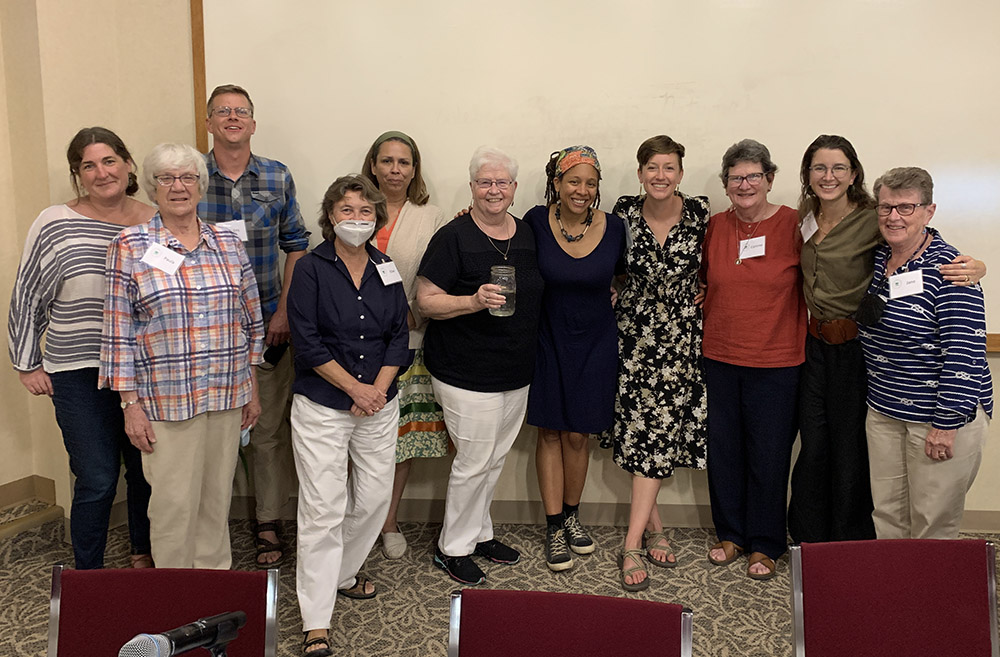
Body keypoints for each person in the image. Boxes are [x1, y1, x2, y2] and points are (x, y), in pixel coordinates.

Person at [788, 135, 987, 544]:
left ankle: (867, 558)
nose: (894, 216)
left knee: (912, 501)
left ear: (853, 173)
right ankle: (833, 554)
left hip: (873, 367)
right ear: (807, 175)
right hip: (848, 371)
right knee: (876, 497)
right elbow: (904, 242)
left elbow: (963, 349)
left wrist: (976, 265)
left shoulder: (888, 231)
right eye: (819, 167)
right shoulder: (810, 221)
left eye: (838, 167)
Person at [100, 143, 263, 569]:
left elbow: (249, 320)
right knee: (172, 506)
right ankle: (174, 598)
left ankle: (211, 592)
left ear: (200, 185)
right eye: (166, 178)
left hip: (226, 395)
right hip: (166, 402)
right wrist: (129, 405)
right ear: (152, 188)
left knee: (215, 501)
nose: (178, 187)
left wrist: (253, 390)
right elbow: (118, 331)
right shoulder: (130, 245)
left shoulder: (226, 244)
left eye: (187, 177)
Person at [8, 127, 154, 570]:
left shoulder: (155, 219)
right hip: (77, 369)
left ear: (128, 164)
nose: (101, 172)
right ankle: (87, 574)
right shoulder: (55, 221)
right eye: (88, 166)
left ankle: (143, 553)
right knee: (96, 477)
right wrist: (26, 362)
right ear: (78, 175)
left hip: (145, 368)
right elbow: (27, 292)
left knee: (147, 473)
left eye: (109, 161)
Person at [287, 175, 410, 657]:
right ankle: (316, 620)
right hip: (323, 404)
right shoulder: (312, 269)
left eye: (365, 211)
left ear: (376, 217)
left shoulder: (387, 267)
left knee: (375, 498)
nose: (356, 219)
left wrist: (375, 392)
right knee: (323, 508)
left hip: (378, 403)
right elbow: (308, 340)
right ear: (330, 216)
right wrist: (355, 389)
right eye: (346, 210)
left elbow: (399, 334)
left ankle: (340, 574)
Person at [417, 146, 543, 586]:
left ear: (513, 188)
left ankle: (480, 534)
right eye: (484, 182)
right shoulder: (452, 236)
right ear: (472, 187)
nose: (493, 190)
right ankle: (452, 548)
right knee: (473, 461)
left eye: (502, 182)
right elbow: (426, 301)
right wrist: (472, 301)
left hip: (515, 369)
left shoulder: (527, 232)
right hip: (464, 371)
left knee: (494, 459)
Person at [199, 83, 310, 567]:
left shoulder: (276, 176)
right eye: (222, 111)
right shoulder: (190, 176)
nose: (232, 117)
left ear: (253, 122)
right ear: (208, 122)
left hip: (267, 323)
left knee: (266, 430)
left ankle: (267, 520)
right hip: (204, 332)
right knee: (209, 431)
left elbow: (297, 244)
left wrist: (284, 311)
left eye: (240, 111)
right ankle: (206, 525)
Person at [859, 167, 992, 540]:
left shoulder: (952, 270)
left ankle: (930, 598)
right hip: (884, 409)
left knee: (932, 521)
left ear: (929, 211)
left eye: (906, 208)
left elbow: (964, 351)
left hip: (937, 417)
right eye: (886, 208)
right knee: (888, 514)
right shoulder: (878, 258)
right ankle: (897, 594)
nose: (893, 217)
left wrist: (946, 424)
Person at [602, 135, 710, 591]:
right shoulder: (623, 213)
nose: (660, 176)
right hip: (632, 335)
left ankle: (632, 542)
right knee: (636, 431)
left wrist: (711, 291)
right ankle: (652, 529)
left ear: (681, 174)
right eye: (652, 167)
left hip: (681, 341)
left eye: (669, 168)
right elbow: (597, 254)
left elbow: (722, 265)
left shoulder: (703, 215)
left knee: (659, 434)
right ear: (640, 172)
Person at [702, 139, 805, 580]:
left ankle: (765, 542)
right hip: (719, 355)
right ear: (726, 184)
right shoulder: (713, 226)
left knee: (768, 454)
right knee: (724, 451)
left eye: (753, 176)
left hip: (778, 361)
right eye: (736, 177)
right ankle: (731, 533)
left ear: (770, 179)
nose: (745, 185)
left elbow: (850, 250)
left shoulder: (796, 224)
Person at [522, 145, 624, 572]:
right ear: (557, 184)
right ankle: (552, 527)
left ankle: (572, 516)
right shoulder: (533, 221)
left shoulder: (616, 227)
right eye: (573, 181)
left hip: (596, 342)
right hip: (547, 338)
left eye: (590, 182)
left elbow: (623, 274)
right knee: (548, 431)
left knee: (579, 434)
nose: (581, 190)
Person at [360, 131, 450, 560]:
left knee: (400, 438)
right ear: (373, 165)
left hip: (411, 337)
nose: (396, 170)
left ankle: (389, 519)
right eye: (387, 161)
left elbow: (441, 275)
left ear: (414, 169)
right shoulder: (356, 207)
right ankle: (354, 519)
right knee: (355, 434)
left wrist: (417, 310)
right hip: (354, 344)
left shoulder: (430, 216)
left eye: (404, 162)